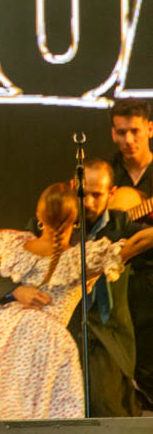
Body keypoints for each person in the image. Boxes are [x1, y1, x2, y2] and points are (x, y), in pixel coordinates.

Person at [0, 183, 153, 434]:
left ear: (39, 216)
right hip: (41, 339)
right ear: (75, 220)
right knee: (24, 409)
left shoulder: (18, 245)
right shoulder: (81, 258)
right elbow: (138, 242)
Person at [0, 160, 142, 417]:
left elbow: (140, 244)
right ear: (72, 187)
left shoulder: (121, 223)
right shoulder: (50, 221)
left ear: (111, 193)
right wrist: (16, 291)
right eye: (83, 193)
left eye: (97, 195)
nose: (88, 202)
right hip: (45, 337)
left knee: (104, 405)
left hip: (101, 335)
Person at [108, 97, 153, 408]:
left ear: (150, 129)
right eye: (121, 132)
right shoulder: (105, 175)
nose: (128, 139)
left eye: (135, 131)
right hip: (116, 279)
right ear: (113, 133)